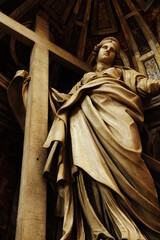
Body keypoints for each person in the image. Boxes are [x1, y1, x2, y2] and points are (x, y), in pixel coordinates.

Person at [8, 37, 160, 239]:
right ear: (96, 52)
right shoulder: (84, 81)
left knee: (132, 162)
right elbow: (66, 102)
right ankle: (105, 228)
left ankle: (145, 223)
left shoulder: (121, 73)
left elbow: (145, 86)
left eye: (112, 50)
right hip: (83, 122)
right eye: (104, 47)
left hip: (119, 118)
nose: (107, 51)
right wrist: (35, 90)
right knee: (88, 170)